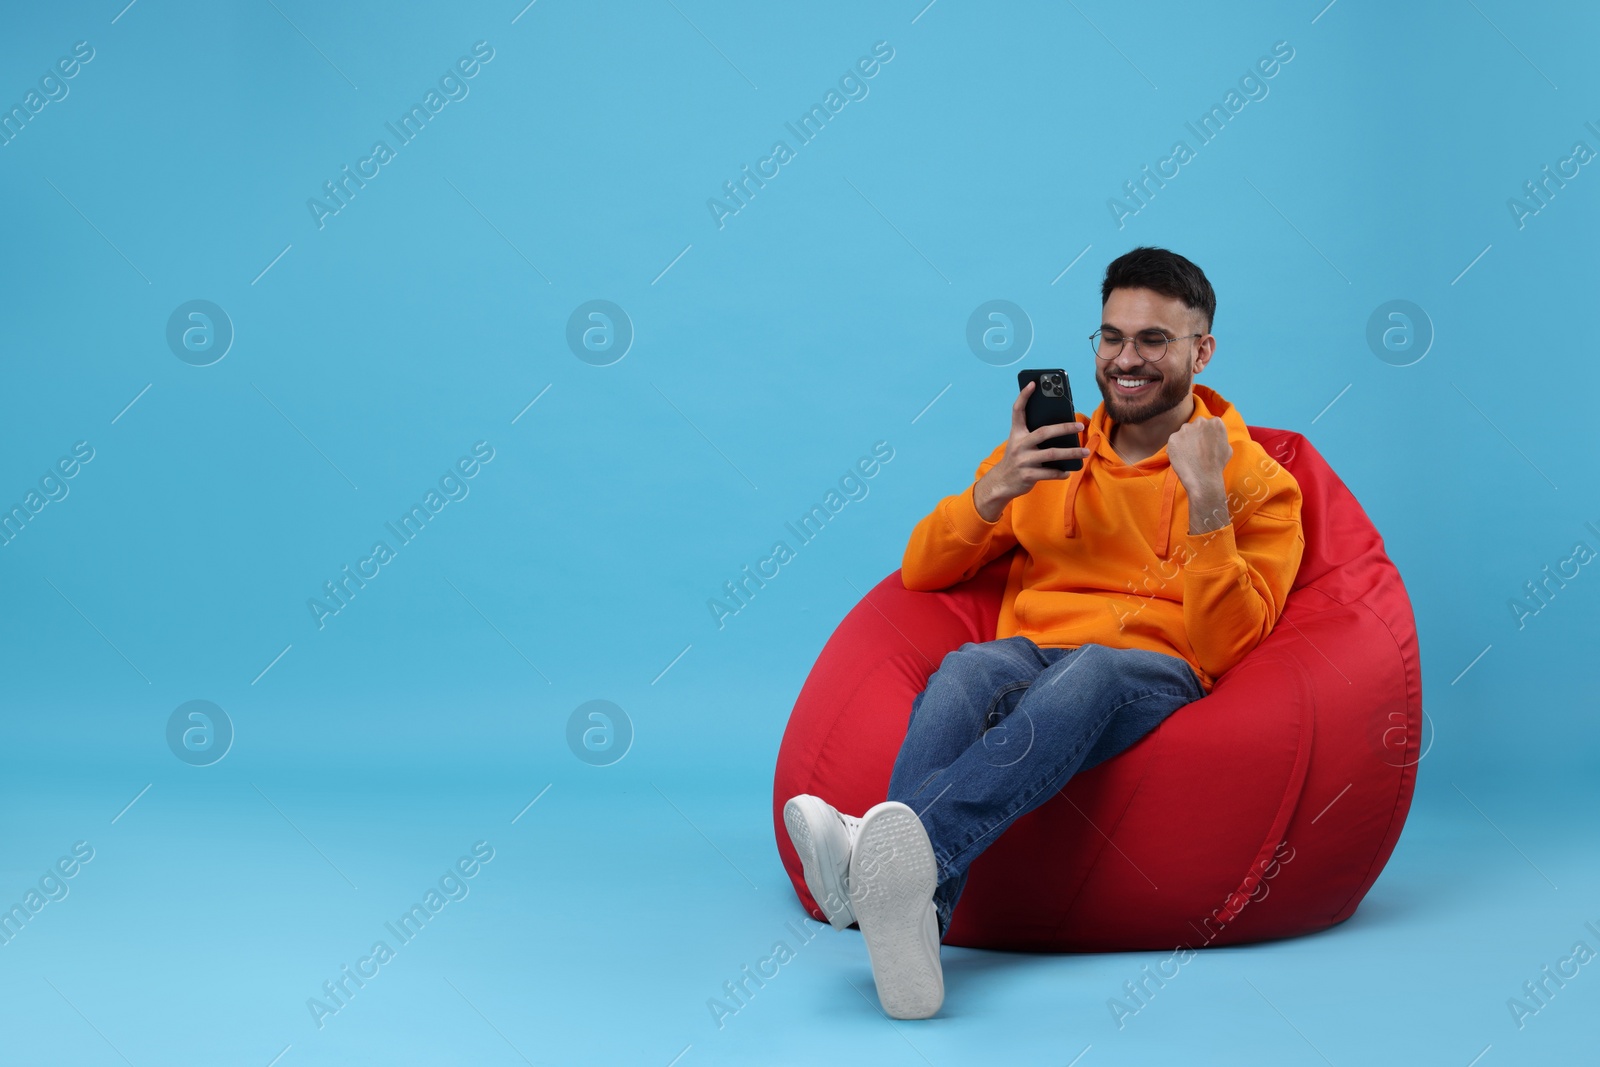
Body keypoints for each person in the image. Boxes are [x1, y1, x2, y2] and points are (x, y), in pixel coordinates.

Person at [783, 246, 1305, 1019]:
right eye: (1111, 337)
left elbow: (1228, 643)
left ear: (1202, 350)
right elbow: (922, 569)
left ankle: (869, 859)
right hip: (1031, 653)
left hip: (1154, 667)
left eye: (1154, 340)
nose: (1126, 359)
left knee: (1089, 668)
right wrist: (994, 490)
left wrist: (1205, 497)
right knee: (965, 667)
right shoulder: (1054, 450)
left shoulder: (1254, 478)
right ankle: (913, 916)